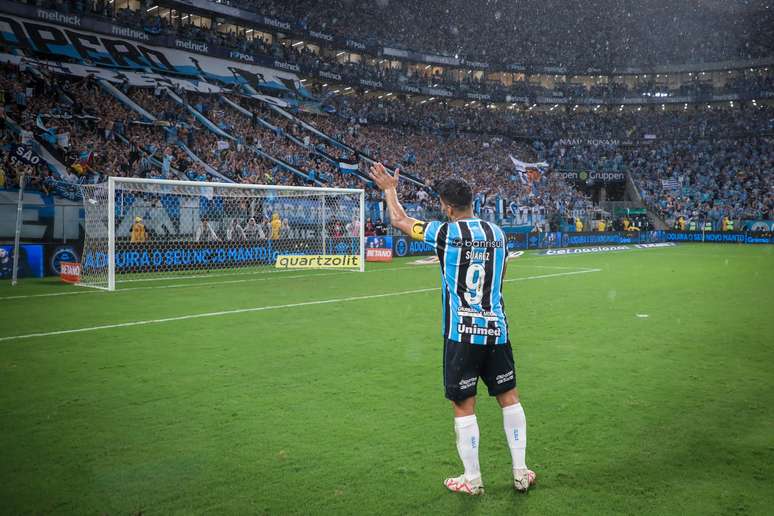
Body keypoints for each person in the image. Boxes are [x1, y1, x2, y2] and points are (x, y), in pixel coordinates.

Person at [368, 162, 535, 496]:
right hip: (497, 330)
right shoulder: (498, 234)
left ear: (445, 206)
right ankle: (520, 472)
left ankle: (472, 480)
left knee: (464, 405)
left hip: (462, 333)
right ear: (472, 201)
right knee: (509, 398)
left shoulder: (443, 234)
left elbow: (400, 221)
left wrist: (389, 189)